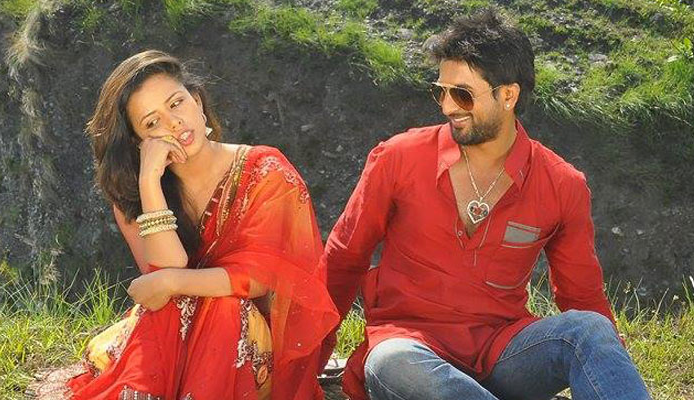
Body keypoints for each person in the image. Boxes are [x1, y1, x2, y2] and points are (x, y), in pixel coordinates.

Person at [319, 10, 650, 400]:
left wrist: (610, 366)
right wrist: (305, 359)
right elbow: (344, 259)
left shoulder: (562, 185)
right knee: (392, 362)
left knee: (589, 329)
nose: (447, 107)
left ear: (508, 95)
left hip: (503, 354)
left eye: (462, 94)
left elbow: (583, 297)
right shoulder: (397, 158)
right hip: (410, 347)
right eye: (440, 91)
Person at [34, 50, 338, 400]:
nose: (174, 123)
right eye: (152, 123)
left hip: (255, 341)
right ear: (138, 142)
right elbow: (164, 280)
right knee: (177, 306)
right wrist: (149, 182)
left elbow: (256, 280)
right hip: (177, 332)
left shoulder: (265, 170)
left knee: (226, 307)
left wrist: (172, 281)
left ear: (197, 101)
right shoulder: (135, 194)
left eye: (176, 103)